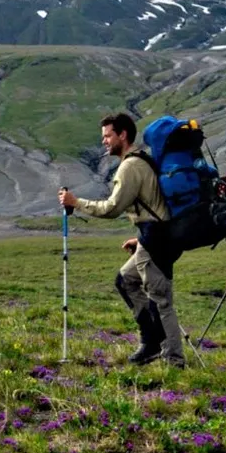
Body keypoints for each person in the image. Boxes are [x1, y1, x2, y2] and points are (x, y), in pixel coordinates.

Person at [58, 112, 184, 368]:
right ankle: (151, 342)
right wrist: (140, 239)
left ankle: (174, 360)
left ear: (123, 135)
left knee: (161, 300)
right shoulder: (139, 161)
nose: (104, 141)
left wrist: (76, 203)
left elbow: (111, 208)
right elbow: (153, 206)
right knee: (125, 281)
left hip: (157, 239)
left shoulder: (131, 166)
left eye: (108, 135)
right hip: (151, 237)